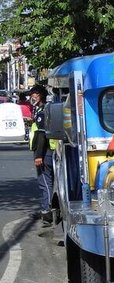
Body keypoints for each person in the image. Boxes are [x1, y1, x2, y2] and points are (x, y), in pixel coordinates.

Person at [28, 85, 54, 226]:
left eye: (36, 94)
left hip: (44, 152)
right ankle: (46, 208)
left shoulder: (43, 111)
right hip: (45, 151)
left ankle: (47, 211)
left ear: (41, 95)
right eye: (32, 94)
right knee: (46, 182)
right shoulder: (39, 110)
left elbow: (42, 134)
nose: (33, 96)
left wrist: (39, 155)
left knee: (45, 182)